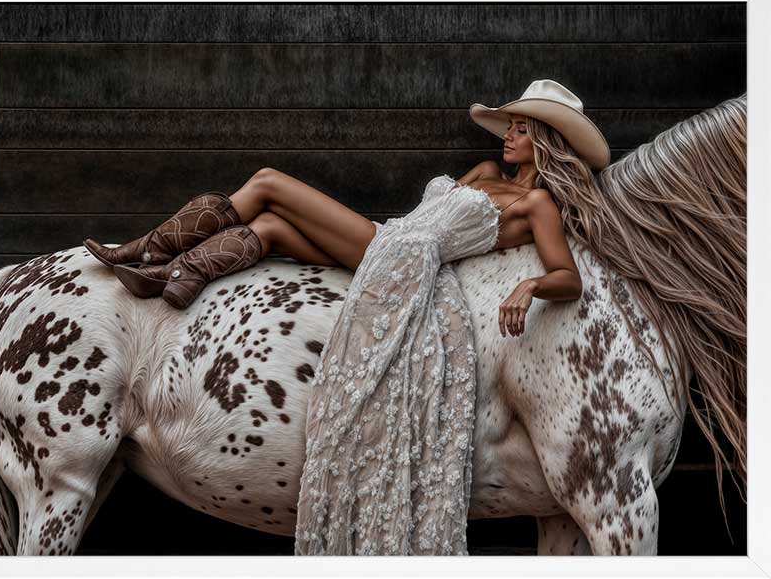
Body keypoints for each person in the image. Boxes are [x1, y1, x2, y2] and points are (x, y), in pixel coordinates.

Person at [83, 79, 610, 554]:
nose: (508, 135)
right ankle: (176, 274)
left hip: (404, 261)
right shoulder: (488, 172)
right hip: (391, 241)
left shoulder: (537, 204)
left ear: (546, 141)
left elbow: (568, 276)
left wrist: (529, 285)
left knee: (268, 183)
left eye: (521, 129)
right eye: (510, 125)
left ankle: (148, 250)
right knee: (271, 229)